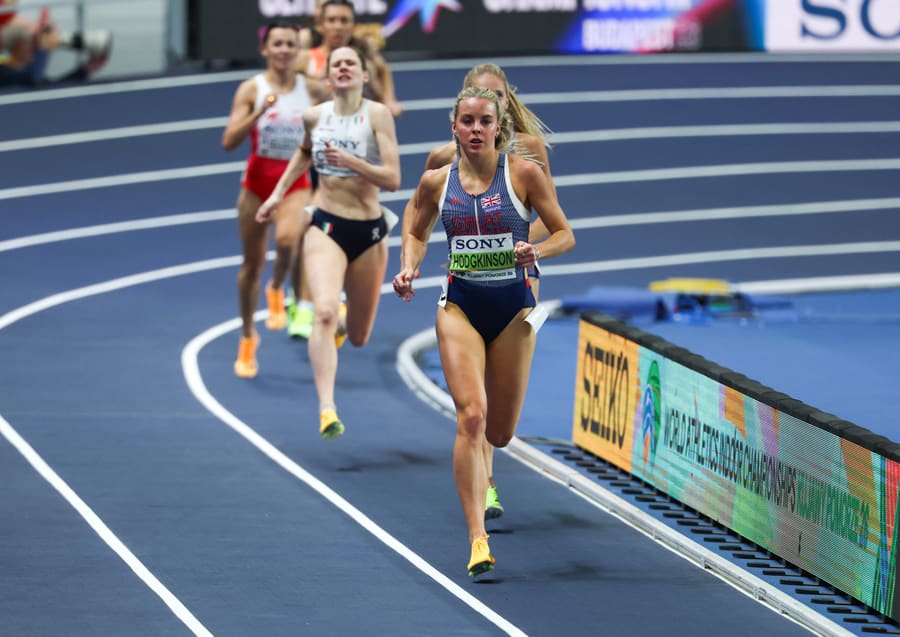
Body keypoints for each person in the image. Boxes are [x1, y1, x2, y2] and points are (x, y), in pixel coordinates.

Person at [392, 86, 575, 577]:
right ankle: (478, 537)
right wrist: (408, 267)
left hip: (514, 310)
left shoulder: (523, 174)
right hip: (460, 307)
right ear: (454, 127)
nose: (475, 129)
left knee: (500, 431)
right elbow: (414, 228)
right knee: (471, 419)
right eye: (467, 121)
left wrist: (536, 252)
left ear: (499, 128)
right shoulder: (436, 181)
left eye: (484, 121)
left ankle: (485, 499)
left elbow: (565, 233)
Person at [258, 44, 400, 439]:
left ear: (363, 75)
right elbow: (302, 153)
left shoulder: (378, 115)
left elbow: (392, 179)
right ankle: (327, 408)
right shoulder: (314, 116)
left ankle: (340, 321)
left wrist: (350, 161)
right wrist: (278, 194)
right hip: (325, 225)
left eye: (350, 64)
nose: (342, 69)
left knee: (357, 336)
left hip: (369, 231)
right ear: (328, 76)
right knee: (321, 310)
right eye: (336, 64)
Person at [222, 20, 315, 378]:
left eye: (290, 44)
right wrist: (259, 113)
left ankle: (278, 288)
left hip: (295, 183)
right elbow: (228, 141)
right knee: (251, 267)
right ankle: (248, 337)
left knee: (291, 239)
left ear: (297, 50)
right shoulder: (251, 89)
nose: (283, 50)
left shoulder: (312, 89)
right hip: (256, 186)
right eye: (277, 44)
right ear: (265, 49)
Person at [0, 12, 109, 88]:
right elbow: (31, 79)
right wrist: (44, 47)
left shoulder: (9, 61)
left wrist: (85, 70)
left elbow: (45, 88)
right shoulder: (10, 69)